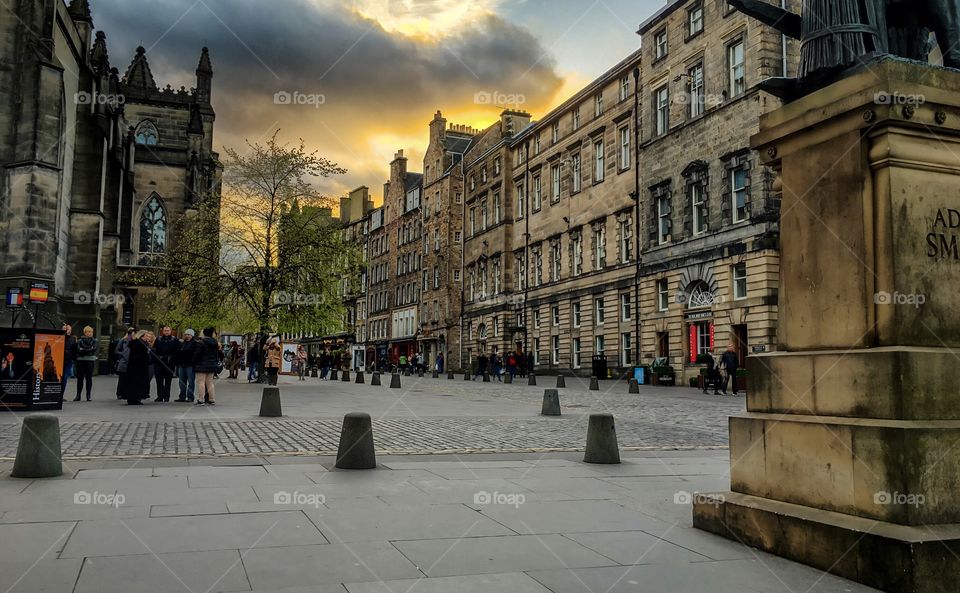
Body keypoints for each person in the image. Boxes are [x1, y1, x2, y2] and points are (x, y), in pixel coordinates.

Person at [193, 327, 221, 405]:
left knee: (201, 382)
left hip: (201, 364)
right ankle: (211, 399)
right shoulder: (215, 343)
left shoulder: (201, 343)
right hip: (212, 364)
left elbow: (197, 354)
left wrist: (194, 362)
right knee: (210, 382)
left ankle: (201, 399)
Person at [124, 330, 151, 405]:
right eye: (146, 336)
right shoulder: (139, 343)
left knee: (133, 383)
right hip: (138, 367)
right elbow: (139, 354)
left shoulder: (138, 343)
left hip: (136, 366)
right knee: (137, 383)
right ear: (142, 336)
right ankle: (135, 398)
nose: (147, 337)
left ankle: (133, 398)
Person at [153, 326, 178, 402]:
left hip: (170, 362)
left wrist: (173, 360)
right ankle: (160, 396)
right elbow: (154, 350)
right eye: (165, 330)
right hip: (159, 362)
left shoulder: (174, 340)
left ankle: (167, 396)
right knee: (159, 380)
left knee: (168, 381)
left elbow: (177, 351)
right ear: (162, 331)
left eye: (168, 330)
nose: (166, 332)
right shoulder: (158, 339)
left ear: (171, 331)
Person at [74, 326, 97, 401]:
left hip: (90, 360)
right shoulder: (80, 341)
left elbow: (94, 349)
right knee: (80, 378)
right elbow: (78, 350)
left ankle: (88, 395)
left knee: (89, 378)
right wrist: (88, 350)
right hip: (80, 361)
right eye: (89, 332)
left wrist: (83, 349)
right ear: (85, 332)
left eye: (91, 332)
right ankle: (78, 395)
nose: (90, 333)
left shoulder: (94, 341)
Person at [175, 329, 198, 402]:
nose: (187, 336)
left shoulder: (195, 343)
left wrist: (183, 352)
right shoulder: (182, 343)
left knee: (191, 382)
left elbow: (192, 353)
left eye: (189, 334)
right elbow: (178, 352)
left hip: (190, 365)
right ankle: (182, 396)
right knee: (181, 382)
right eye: (186, 334)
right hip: (182, 365)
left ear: (192, 335)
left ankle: (190, 397)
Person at [115, 328, 135, 400]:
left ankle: (126, 393)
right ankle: (119, 393)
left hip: (132, 362)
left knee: (129, 379)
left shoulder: (136, 342)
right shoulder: (123, 341)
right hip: (123, 362)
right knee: (122, 379)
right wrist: (123, 354)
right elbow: (117, 350)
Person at [61, 324, 77, 400]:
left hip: (68, 361)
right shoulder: (59, 338)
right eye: (66, 329)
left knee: (64, 379)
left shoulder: (73, 339)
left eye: (69, 329)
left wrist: (73, 359)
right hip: (59, 361)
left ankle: (61, 395)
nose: (68, 331)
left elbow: (74, 350)